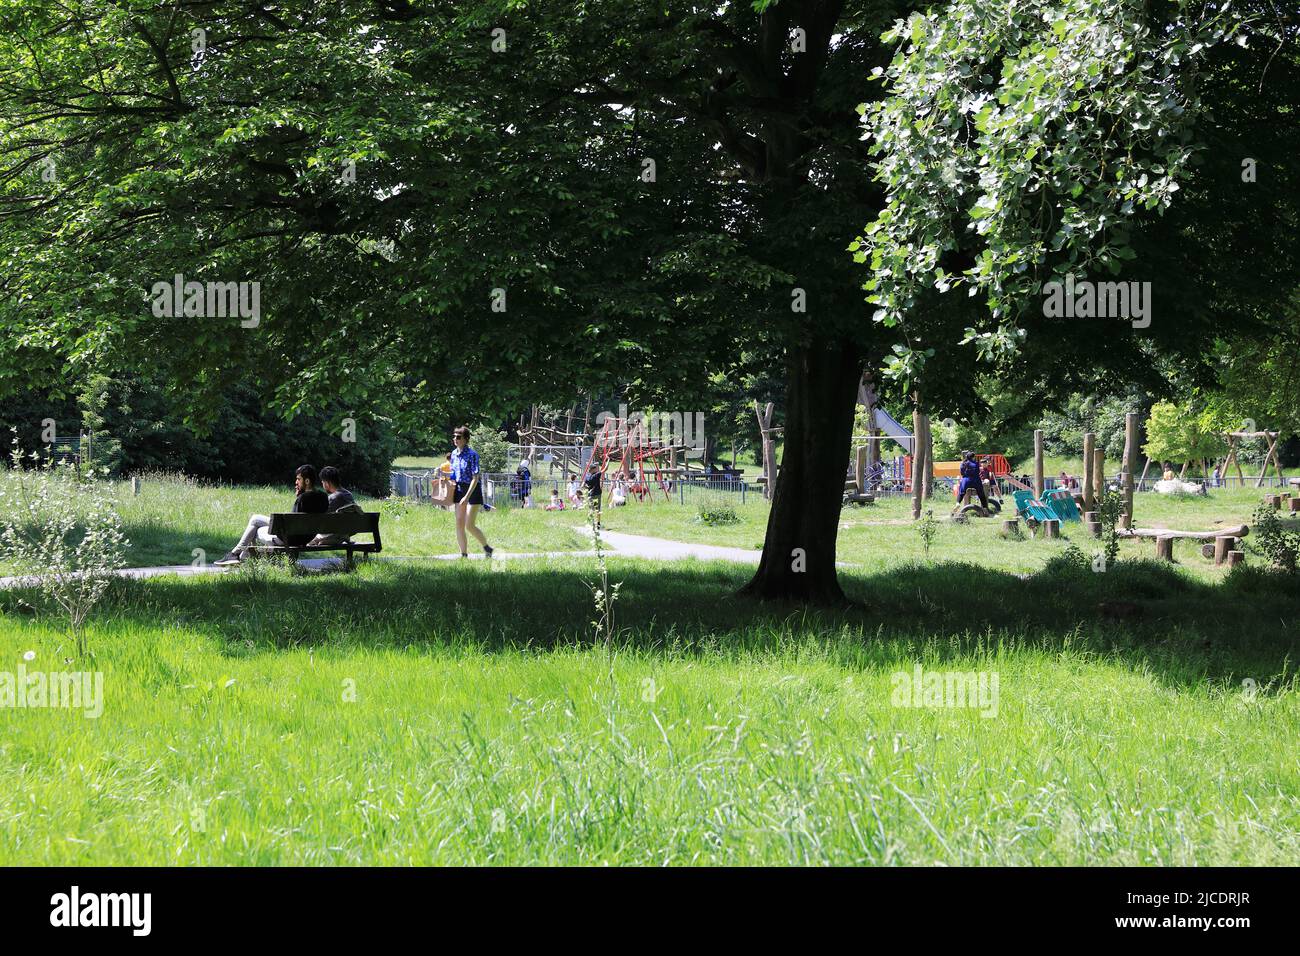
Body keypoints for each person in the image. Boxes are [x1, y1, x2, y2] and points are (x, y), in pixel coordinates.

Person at [215, 465, 328, 565]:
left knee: (255, 524)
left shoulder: (303, 498)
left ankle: (237, 555)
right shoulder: (323, 497)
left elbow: (292, 526)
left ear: (307, 481)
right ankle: (239, 556)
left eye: (298, 479)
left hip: (289, 540)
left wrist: (298, 497)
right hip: (306, 538)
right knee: (256, 521)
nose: (296, 482)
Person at [449, 425, 493, 558]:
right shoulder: (453, 454)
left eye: (458, 437)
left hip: (472, 490)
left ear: (466, 439)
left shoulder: (473, 455)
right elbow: (453, 474)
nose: (455, 439)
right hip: (459, 489)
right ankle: (463, 555)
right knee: (459, 522)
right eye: (454, 437)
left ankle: (487, 548)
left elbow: (476, 477)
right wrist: (446, 479)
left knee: (469, 525)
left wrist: (466, 497)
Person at [309, 466, 360, 547]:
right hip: (345, 532)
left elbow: (319, 520)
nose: (323, 485)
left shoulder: (332, 498)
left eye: (322, 482)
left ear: (327, 483)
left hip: (333, 533)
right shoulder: (349, 495)